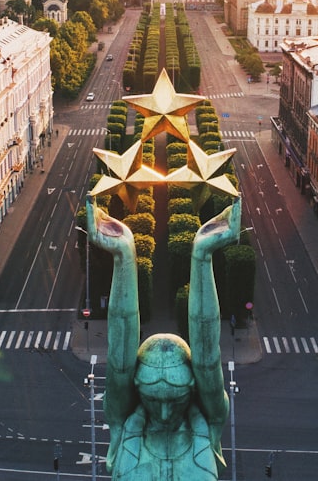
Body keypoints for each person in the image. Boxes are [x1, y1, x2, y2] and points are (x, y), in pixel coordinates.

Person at [87, 196, 240, 480]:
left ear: (193, 387)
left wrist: (202, 255)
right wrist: (124, 256)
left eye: (177, 399)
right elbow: (120, 359)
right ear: (136, 389)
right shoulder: (123, 422)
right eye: (153, 400)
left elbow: (208, 358)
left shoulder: (211, 418)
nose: (166, 414)